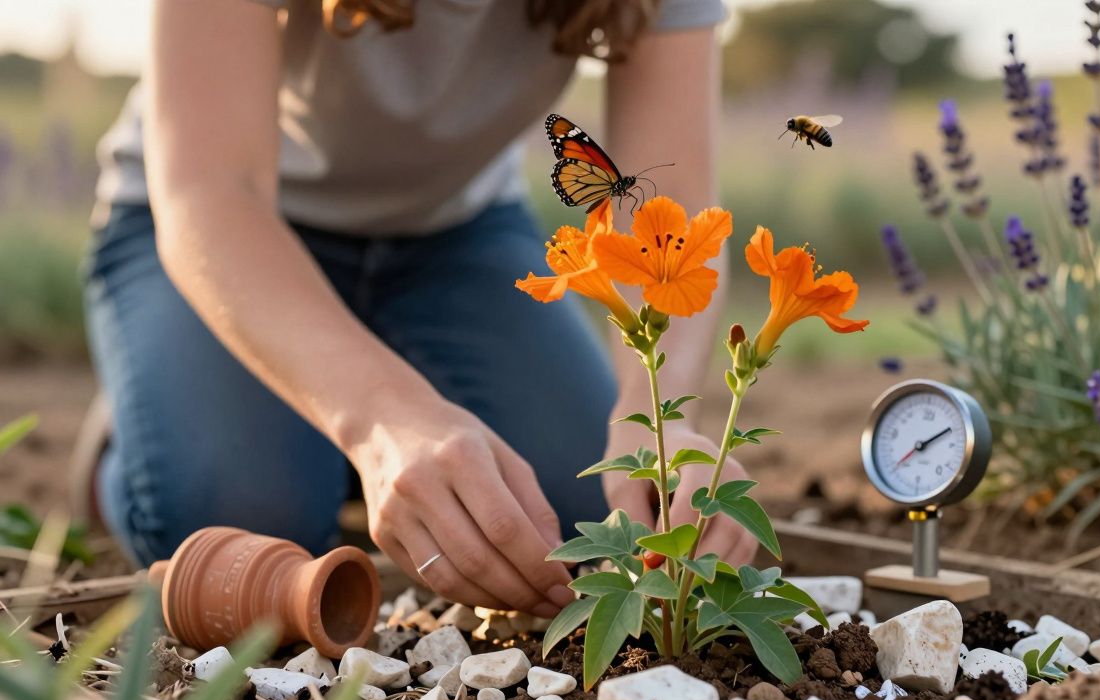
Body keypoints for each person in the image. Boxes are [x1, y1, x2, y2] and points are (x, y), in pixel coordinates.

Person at [83, 0, 756, 620]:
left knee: (590, 517)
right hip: (227, 231)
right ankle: (158, 409)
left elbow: (671, 210)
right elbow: (213, 192)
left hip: (452, 236)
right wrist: (384, 419)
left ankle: (330, 416)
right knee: (248, 516)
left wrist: (658, 422)